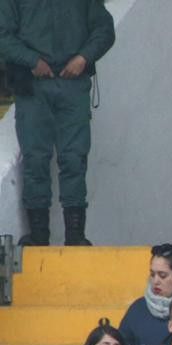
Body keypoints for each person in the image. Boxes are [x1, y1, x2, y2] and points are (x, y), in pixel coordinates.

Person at [1, 0, 113, 246]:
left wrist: (84, 57)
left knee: (74, 158)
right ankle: (39, 237)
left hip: (73, 84)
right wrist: (31, 60)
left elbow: (104, 29)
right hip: (32, 86)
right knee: (35, 159)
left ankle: (75, 236)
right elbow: (3, 34)